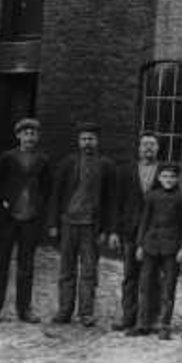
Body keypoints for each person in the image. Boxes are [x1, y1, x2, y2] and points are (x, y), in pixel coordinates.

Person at [48, 121, 117, 327]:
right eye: (84, 139)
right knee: (66, 270)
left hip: (91, 226)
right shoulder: (67, 163)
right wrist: (53, 223)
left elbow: (111, 200)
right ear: (79, 141)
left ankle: (86, 312)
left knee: (89, 271)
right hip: (68, 224)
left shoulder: (106, 165)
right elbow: (56, 194)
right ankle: (64, 310)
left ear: (97, 141)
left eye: (91, 139)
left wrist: (108, 229)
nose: (88, 142)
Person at [0, 117, 52, 323]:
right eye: (26, 133)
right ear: (18, 135)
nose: (30, 137)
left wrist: (41, 209)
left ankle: (24, 309)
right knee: (0, 263)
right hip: (8, 218)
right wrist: (2, 205)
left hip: (30, 218)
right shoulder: (7, 158)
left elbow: (47, 189)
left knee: (27, 265)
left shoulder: (43, 160)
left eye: (33, 134)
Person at [131, 163, 182, 340]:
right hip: (150, 245)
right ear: (159, 178)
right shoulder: (151, 196)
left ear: (177, 179)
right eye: (165, 176)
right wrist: (140, 245)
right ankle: (143, 323)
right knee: (145, 285)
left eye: (172, 177)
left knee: (168, 288)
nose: (168, 180)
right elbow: (144, 221)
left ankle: (164, 325)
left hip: (172, 248)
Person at [112, 133, 161, 332]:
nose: (148, 148)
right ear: (138, 148)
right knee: (130, 275)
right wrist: (115, 230)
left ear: (158, 148)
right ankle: (128, 316)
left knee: (153, 276)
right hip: (130, 231)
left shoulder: (164, 172)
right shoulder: (126, 171)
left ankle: (151, 318)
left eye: (152, 144)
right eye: (144, 144)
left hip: (155, 232)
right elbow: (116, 201)